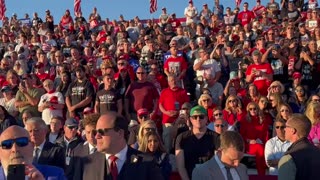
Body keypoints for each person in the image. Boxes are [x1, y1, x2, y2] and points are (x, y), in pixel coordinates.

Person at [73, 112, 164, 180]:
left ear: (120, 133)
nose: (96, 136)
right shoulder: (85, 164)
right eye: (96, 132)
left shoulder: (147, 162)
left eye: (101, 132)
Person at [0, 125, 65, 179]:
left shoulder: (55, 174)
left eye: (22, 142)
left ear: (32, 146)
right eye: (7, 144)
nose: (15, 149)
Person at [175, 105, 220, 180]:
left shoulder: (216, 137)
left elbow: (217, 164)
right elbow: (181, 167)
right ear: (190, 119)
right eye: (195, 117)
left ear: (206, 118)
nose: (198, 119)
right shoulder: (182, 137)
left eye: (201, 117)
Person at [278, 114, 320, 180]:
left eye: (286, 126)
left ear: (293, 130)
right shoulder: (317, 152)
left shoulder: (289, 159)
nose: (284, 129)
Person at [66, 113, 99, 179]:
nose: (91, 136)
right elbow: (69, 175)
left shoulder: (108, 151)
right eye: (88, 132)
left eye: (94, 132)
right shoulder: (77, 151)